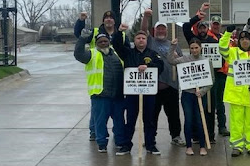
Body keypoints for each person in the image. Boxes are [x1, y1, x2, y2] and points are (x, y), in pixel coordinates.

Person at [73, 10, 130, 142]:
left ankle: (118, 138)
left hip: (116, 79)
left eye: (111, 17)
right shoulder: (95, 32)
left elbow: (127, 53)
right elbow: (79, 35)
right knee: (97, 112)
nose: (109, 19)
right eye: (106, 18)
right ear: (103, 20)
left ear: (115, 21)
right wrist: (81, 21)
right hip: (99, 79)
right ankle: (94, 132)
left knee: (118, 116)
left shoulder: (120, 34)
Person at [113, 28, 165, 155]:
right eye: (138, 38)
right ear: (134, 41)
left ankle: (150, 145)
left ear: (146, 41)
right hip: (132, 93)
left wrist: (148, 67)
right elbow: (116, 45)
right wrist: (119, 32)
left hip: (149, 94)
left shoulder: (153, 54)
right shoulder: (128, 53)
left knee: (149, 120)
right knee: (130, 120)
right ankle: (126, 145)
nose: (141, 40)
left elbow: (161, 66)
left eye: (143, 38)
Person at [219, 26, 250, 157]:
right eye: (242, 39)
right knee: (236, 123)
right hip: (236, 95)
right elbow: (222, 48)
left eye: (247, 38)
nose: (245, 41)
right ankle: (237, 146)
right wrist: (227, 33)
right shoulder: (232, 53)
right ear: (239, 41)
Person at [141, 9, 186, 146]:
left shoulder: (174, 44)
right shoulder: (150, 42)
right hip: (153, 87)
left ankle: (176, 136)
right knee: (151, 115)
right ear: (154, 31)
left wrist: (178, 57)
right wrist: (146, 17)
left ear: (167, 31)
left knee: (173, 115)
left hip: (170, 86)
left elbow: (182, 62)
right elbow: (143, 30)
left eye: (163, 29)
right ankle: (150, 138)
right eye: (158, 29)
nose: (161, 31)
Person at [167, 37, 214, 156]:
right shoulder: (184, 59)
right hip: (187, 95)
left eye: (196, 48)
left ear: (200, 48)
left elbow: (211, 80)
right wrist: (172, 47)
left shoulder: (207, 61)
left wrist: (203, 91)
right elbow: (170, 60)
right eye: (192, 48)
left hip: (200, 95)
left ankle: (202, 146)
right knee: (188, 120)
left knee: (200, 120)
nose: (194, 50)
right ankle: (189, 146)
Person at [183, 9, 223, 143]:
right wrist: (196, 18)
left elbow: (221, 59)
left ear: (207, 28)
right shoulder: (193, 39)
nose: (202, 29)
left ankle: (210, 135)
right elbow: (185, 27)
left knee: (210, 107)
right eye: (200, 27)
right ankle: (195, 135)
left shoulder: (214, 40)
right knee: (195, 108)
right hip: (193, 78)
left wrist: (215, 65)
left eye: (204, 27)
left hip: (210, 78)